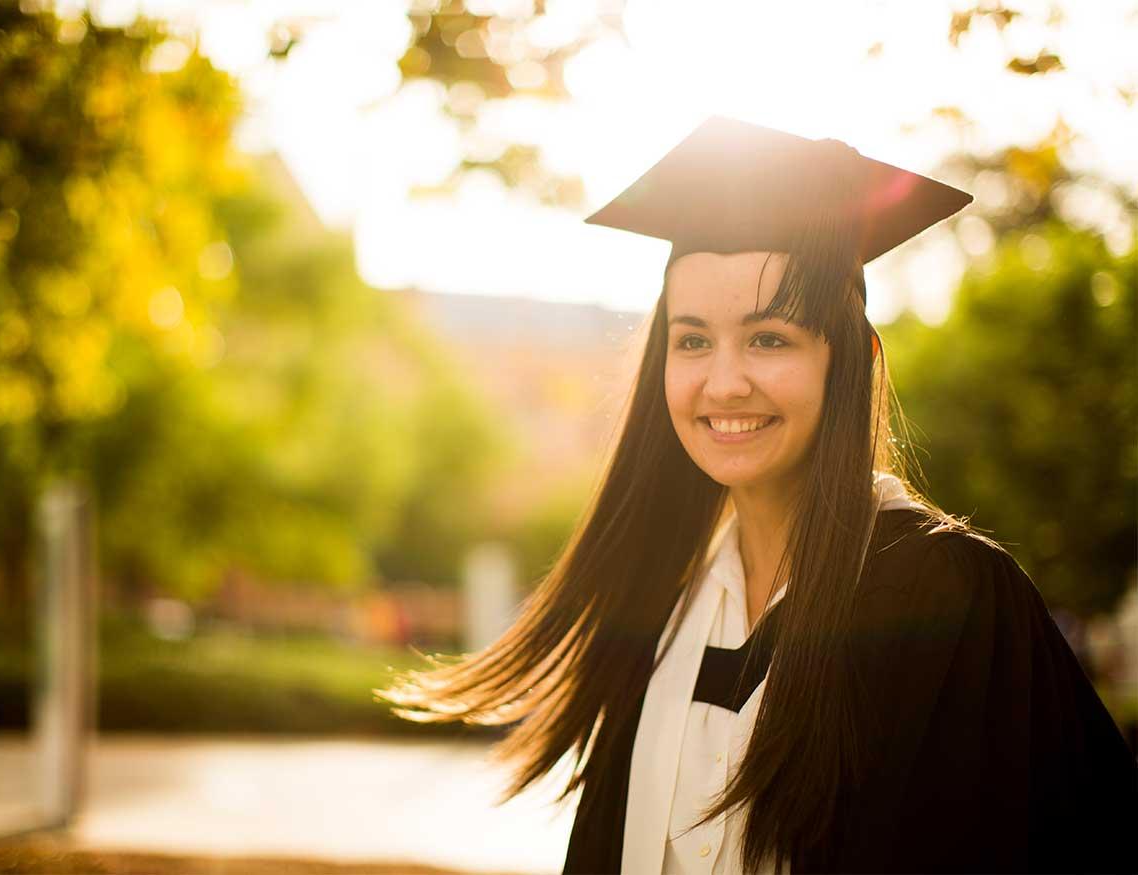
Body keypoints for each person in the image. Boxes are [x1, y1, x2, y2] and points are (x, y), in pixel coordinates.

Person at [375, 118, 1138, 873]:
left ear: (850, 360)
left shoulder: (951, 598)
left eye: (770, 337)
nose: (724, 380)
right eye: (694, 339)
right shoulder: (661, 614)